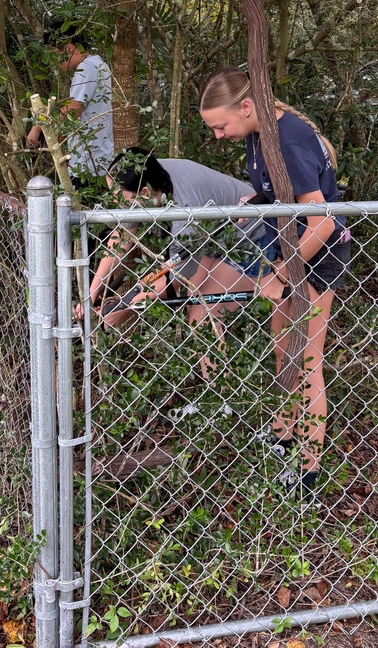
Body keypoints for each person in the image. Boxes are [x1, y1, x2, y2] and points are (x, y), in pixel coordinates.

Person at [198, 65, 350, 501]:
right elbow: (282, 189)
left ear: (246, 106)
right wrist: (257, 200)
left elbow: (322, 220)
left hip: (315, 256)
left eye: (220, 125)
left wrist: (283, 274)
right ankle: (283, 435)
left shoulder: (288, 136)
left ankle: (307, 471)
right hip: (285, 246)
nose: (218, 135)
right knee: (283, 350)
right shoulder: (257, 131)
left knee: (306, 362)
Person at [88, 148, 277, 331]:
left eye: (120, 197)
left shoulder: (184, 214)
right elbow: (123, 237)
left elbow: (174, 278)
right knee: (192, 306)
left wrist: (127, 307)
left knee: (202, 324)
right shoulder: (145, 173)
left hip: (251, 237)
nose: (117, 202)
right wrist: (94, 290)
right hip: (211, 236)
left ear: (145, 193)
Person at [27, 21, 114, 194]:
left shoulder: (86, 68)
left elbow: (74, 108)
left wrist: (37, 128)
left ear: (68, 49)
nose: (54, 63)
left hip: (88, 165)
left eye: (54, 55)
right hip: (98, 159)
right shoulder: (98, 64)